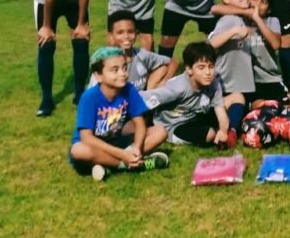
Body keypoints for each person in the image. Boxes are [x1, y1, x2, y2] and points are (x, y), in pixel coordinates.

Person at [69, 47, 169, 181]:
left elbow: (140, 124)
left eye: (124, 68)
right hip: (95, 145)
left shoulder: (129, 89)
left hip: (117, 140)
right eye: (115, 70)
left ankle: (108, 165)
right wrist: (122, 155)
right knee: (78, 150)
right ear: (98, 76)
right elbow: (86, 138)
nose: (122, 73)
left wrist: (137, 147)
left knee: (160, 131)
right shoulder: (89, 97)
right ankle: (130, 165)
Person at [34, 0, 97, 116]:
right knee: (46, 44)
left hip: (74, 0)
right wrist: (46, 27)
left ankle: (80, 93)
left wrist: (81, 24)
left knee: (81, 41)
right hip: (47, 1)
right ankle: (46, 98)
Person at [140, 42, 230, 148]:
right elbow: (143, 98)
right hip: (174, 125)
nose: (208, 72)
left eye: (211, 66)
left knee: (236, 98)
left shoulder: (213, 81)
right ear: (189, 69)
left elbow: (220, 109)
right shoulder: (178, 87)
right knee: (210, 134)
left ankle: (231, 132)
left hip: (195, 117)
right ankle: (169, 137)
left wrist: (223, 131)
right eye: (201, 67)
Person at [208, 0, 257, 146]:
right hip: (227, 85)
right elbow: (211, 43)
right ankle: (229, 132)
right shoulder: (229, 20)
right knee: (239, 102)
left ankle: (230, 130)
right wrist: (234, 31)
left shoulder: (245, 17)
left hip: (242, 84)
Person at [87, 10, 177, 91]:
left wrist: (163, 83)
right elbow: (91, 95)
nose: (126, 36)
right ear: (111, 35)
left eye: (130, 31)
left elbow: (173, 62)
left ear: (136, 33)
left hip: (140, 101)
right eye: (120, 32)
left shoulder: (141, 55)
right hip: (114, 103)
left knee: (163, 68)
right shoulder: (104, 62)